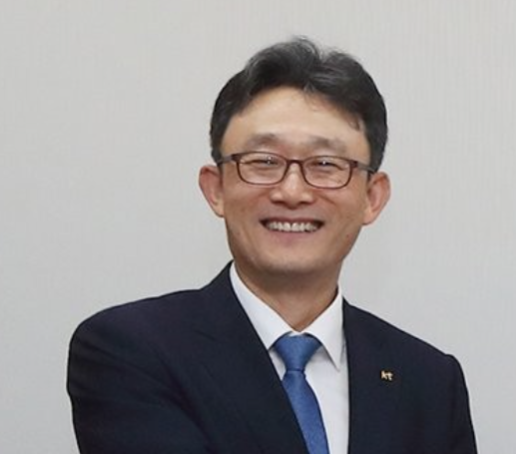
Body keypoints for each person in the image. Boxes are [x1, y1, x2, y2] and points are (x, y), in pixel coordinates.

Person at [67, 38, 478, 454]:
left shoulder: (428, 380)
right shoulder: (131, 350)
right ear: (216, 189)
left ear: (372, 197)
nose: (292, 191)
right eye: (263, 162)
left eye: (325, 164)